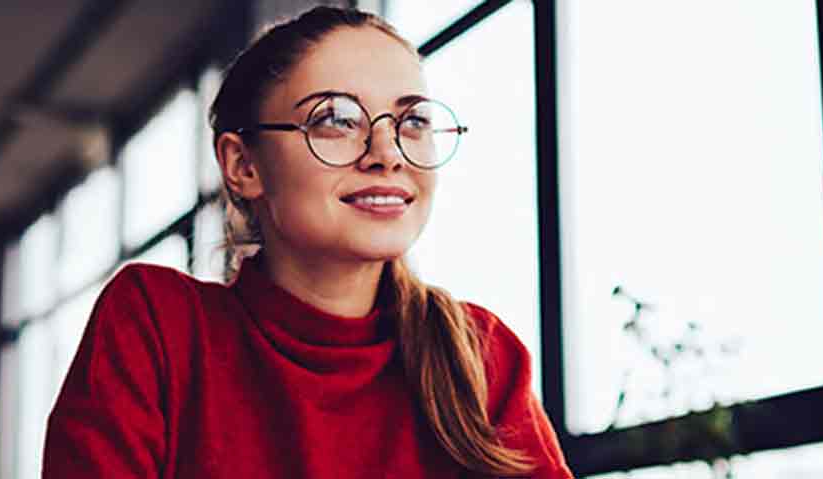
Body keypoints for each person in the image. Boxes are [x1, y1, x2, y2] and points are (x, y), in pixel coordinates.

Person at [42, 6, 571, 478]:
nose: (387, 153)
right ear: (244, 165)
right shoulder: (160, 326)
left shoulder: (480, 355)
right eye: (336, 120)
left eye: (412, 121)